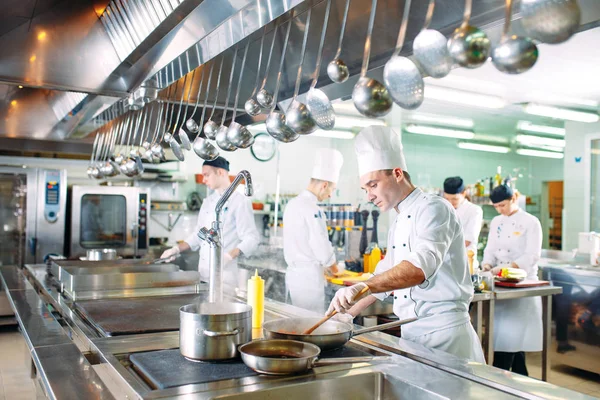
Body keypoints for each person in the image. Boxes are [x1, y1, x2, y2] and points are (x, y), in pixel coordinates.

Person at [326, 126, 484, 363]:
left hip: (446, 339)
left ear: (397, 173)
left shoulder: (434, 208)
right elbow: (384, 276)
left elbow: (418, 269)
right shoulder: (399, 219)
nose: (368, 196)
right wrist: (344, 313)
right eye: (365, 188)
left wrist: (364, 287)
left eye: (373, 185)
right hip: (413, 336)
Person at [161, 157, 260, 291]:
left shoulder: (239, 201)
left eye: (207, 175)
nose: (203, 180)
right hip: (203, 274)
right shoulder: (208, 202)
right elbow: (199, 234)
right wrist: (176, 249)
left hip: (224, 277)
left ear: (220, 172)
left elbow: (251, 238)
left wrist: (228, 256)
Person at [482, 184, 543, 376]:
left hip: (521, 287)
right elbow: (490, 249)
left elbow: (532, 255)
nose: (500, 210)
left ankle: (499, 384)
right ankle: (520, 384)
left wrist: (508, 268)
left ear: (514, 198)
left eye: (503, 205)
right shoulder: (497, 222)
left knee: (509, 343)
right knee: (509, 343)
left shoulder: (531, 222)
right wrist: (487, 264)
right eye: (496, 207)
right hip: (500, 287)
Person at [283, 148, 344, 313]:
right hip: (308, 281)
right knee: (310, 326)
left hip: (294, 277)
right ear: (324, 185)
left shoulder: (292, 204)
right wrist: (335, 269)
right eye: (332, 189)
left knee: (295, 324)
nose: (330, 195)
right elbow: (321, 245)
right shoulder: (313, 209)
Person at [443, 176, 483, 256]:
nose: (450, 202)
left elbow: (467, 240)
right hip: (444, 259)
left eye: (454, 199)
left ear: (464, 193)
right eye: (447, 198)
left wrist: (440, 249)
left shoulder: (474, 210)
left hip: (465, 259)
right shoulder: (443, 209)